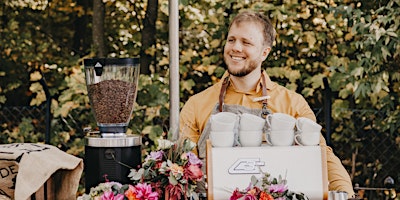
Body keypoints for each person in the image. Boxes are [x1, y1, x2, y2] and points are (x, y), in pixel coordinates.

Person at [179, 10, 355, 197]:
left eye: (246, 42)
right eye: (231, 40)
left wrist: (345, 192)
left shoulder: (292, 104)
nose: (236, 48)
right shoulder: (197, 104)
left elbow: (320, 156)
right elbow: (184, 168)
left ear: (264, 53)